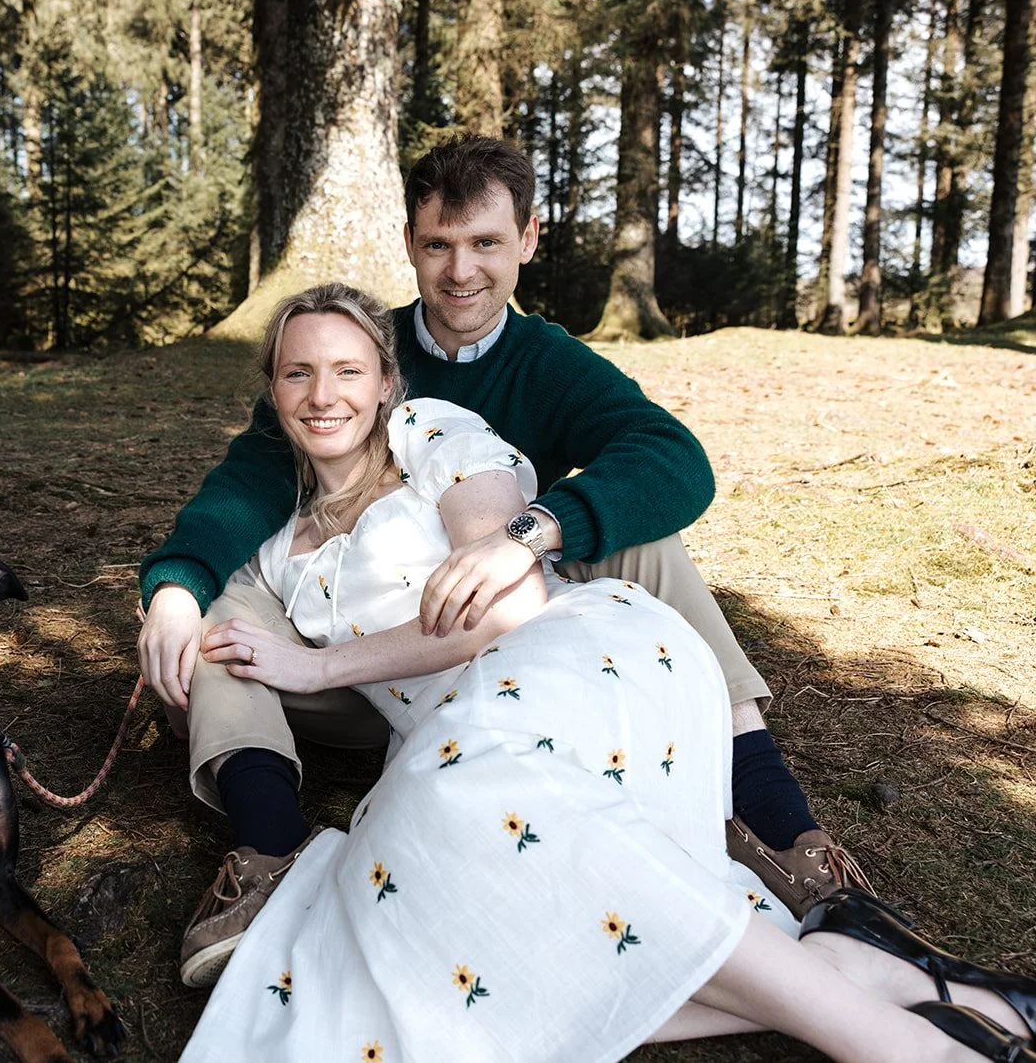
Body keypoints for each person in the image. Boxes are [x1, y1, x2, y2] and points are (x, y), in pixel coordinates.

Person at [177, 283, 1036, 1063]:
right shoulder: (278, 547)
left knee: (458, 805)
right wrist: (181, 604)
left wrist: (319, 661)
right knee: (434, 921)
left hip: (569, 658)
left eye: (346, 370)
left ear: (383, 382)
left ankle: (898, 1046)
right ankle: (843, 966)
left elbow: (498, 607)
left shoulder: (433, 435)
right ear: (273, 389)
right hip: (454, 727)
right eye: (298, 374)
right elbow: (210, 576)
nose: (323, 396)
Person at [140, 135, 861, 987]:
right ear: (409, 243)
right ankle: (268, 848)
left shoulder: (548, 362)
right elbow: (250, 479)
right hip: (366, 663)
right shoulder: (356, 352)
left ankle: (776, 819)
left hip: (509, 631)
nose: (460, 271)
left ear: (527, 239)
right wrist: (178, 587)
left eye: (485, 242)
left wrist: (542, 524)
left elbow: (674, 459)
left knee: (639, 532)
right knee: (223, 601)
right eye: (438, 244)